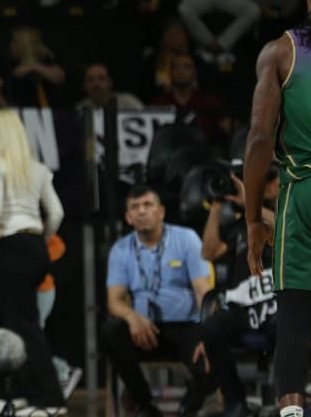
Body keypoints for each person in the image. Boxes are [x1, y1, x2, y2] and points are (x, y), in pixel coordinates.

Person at [243, 0, 311, 417]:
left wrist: (254, 218)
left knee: (294, 320)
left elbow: (258, 140)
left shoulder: (281, 52)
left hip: (305, 192)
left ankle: (291, 413)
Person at [0, 111, 66, 413]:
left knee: (23, 326)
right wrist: (41, 241)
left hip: (12, 249)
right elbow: (57, 213)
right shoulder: (37, 169)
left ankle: (50, 398)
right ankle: (17, 392)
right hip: (34, 247)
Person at [103, 185, 212, 417]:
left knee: (214, 357)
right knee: (111, 330)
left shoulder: (187, 239)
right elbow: (114, 300)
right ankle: (146, 405)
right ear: (128, 217)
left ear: (161, 211)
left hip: (184, 325)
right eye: (135, 207)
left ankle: (187, 408)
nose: (142, 211)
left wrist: (208, 332)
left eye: (148, 205)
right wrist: (132, 317)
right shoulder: (120, 250)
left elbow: (203, 291)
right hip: (143, 330)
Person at [197, 168, 278, 417]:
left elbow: (281, 230)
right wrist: (216, 206)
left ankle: (277, 400)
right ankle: (235, 402)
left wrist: (249, 203)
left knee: (286, 328)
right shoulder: (239, 226)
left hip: (277, 302)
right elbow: (209, 252)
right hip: (242, 304)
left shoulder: (286, 213)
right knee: (210, 328)